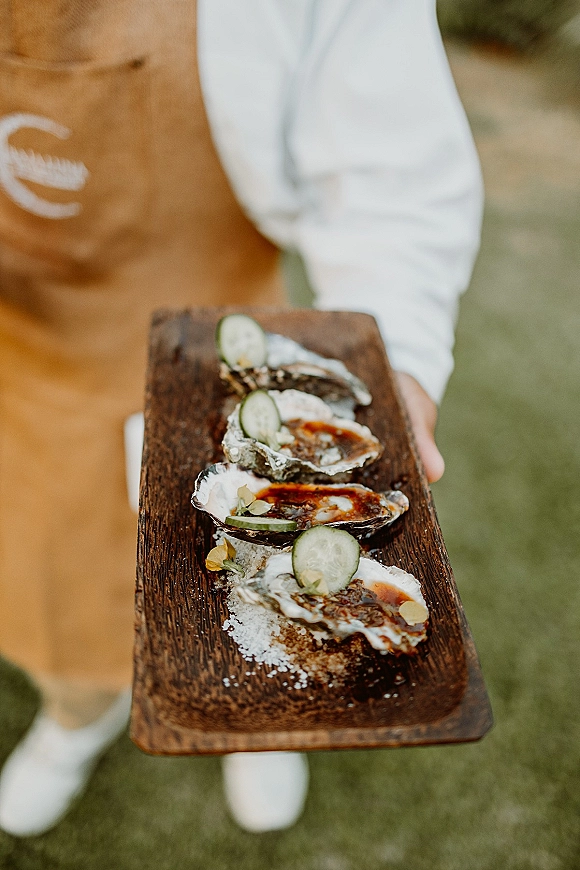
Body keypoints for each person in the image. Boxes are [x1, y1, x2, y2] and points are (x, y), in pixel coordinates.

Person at [0, 0, 482, 837]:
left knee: (251, 593)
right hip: (31, 369)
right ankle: (77, 721)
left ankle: (261, 709)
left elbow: (391, 181)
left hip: (231, 359)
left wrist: (389, 359)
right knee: (53, 599)